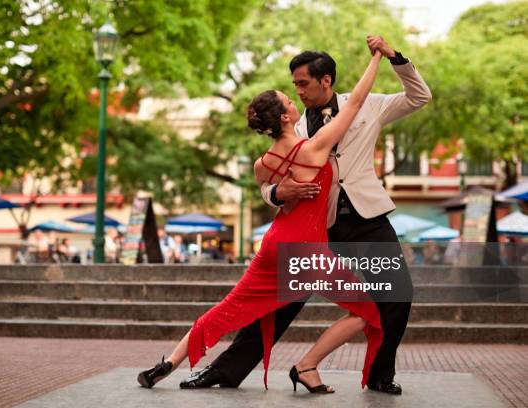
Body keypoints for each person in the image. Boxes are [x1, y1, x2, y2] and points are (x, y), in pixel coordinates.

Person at [182, 35, 430, 395]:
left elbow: (420, 96)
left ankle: (379, 374)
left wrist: (395, 58)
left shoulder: (367, 105)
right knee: (280, 302)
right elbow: (268, 181)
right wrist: (277, 193)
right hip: (315, 228)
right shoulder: (292, 126)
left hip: (366, 220)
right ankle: (225, 370)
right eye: (293, 84)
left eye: (303, 82)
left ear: (325, 80)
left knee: (396, 294)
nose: (296, 90)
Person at [137, 43, 384, 393]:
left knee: (228, 308)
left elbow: (273, 197)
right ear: (285, 117)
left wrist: (280, 193)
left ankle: (168, 362)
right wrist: (377, 57)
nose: (295, 100)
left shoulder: (262, 164)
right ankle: (306, 365)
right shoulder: (315, 148)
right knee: (365, 311)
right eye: (288, 101)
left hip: (272, 245)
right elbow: (356, 101)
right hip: (307, 251)